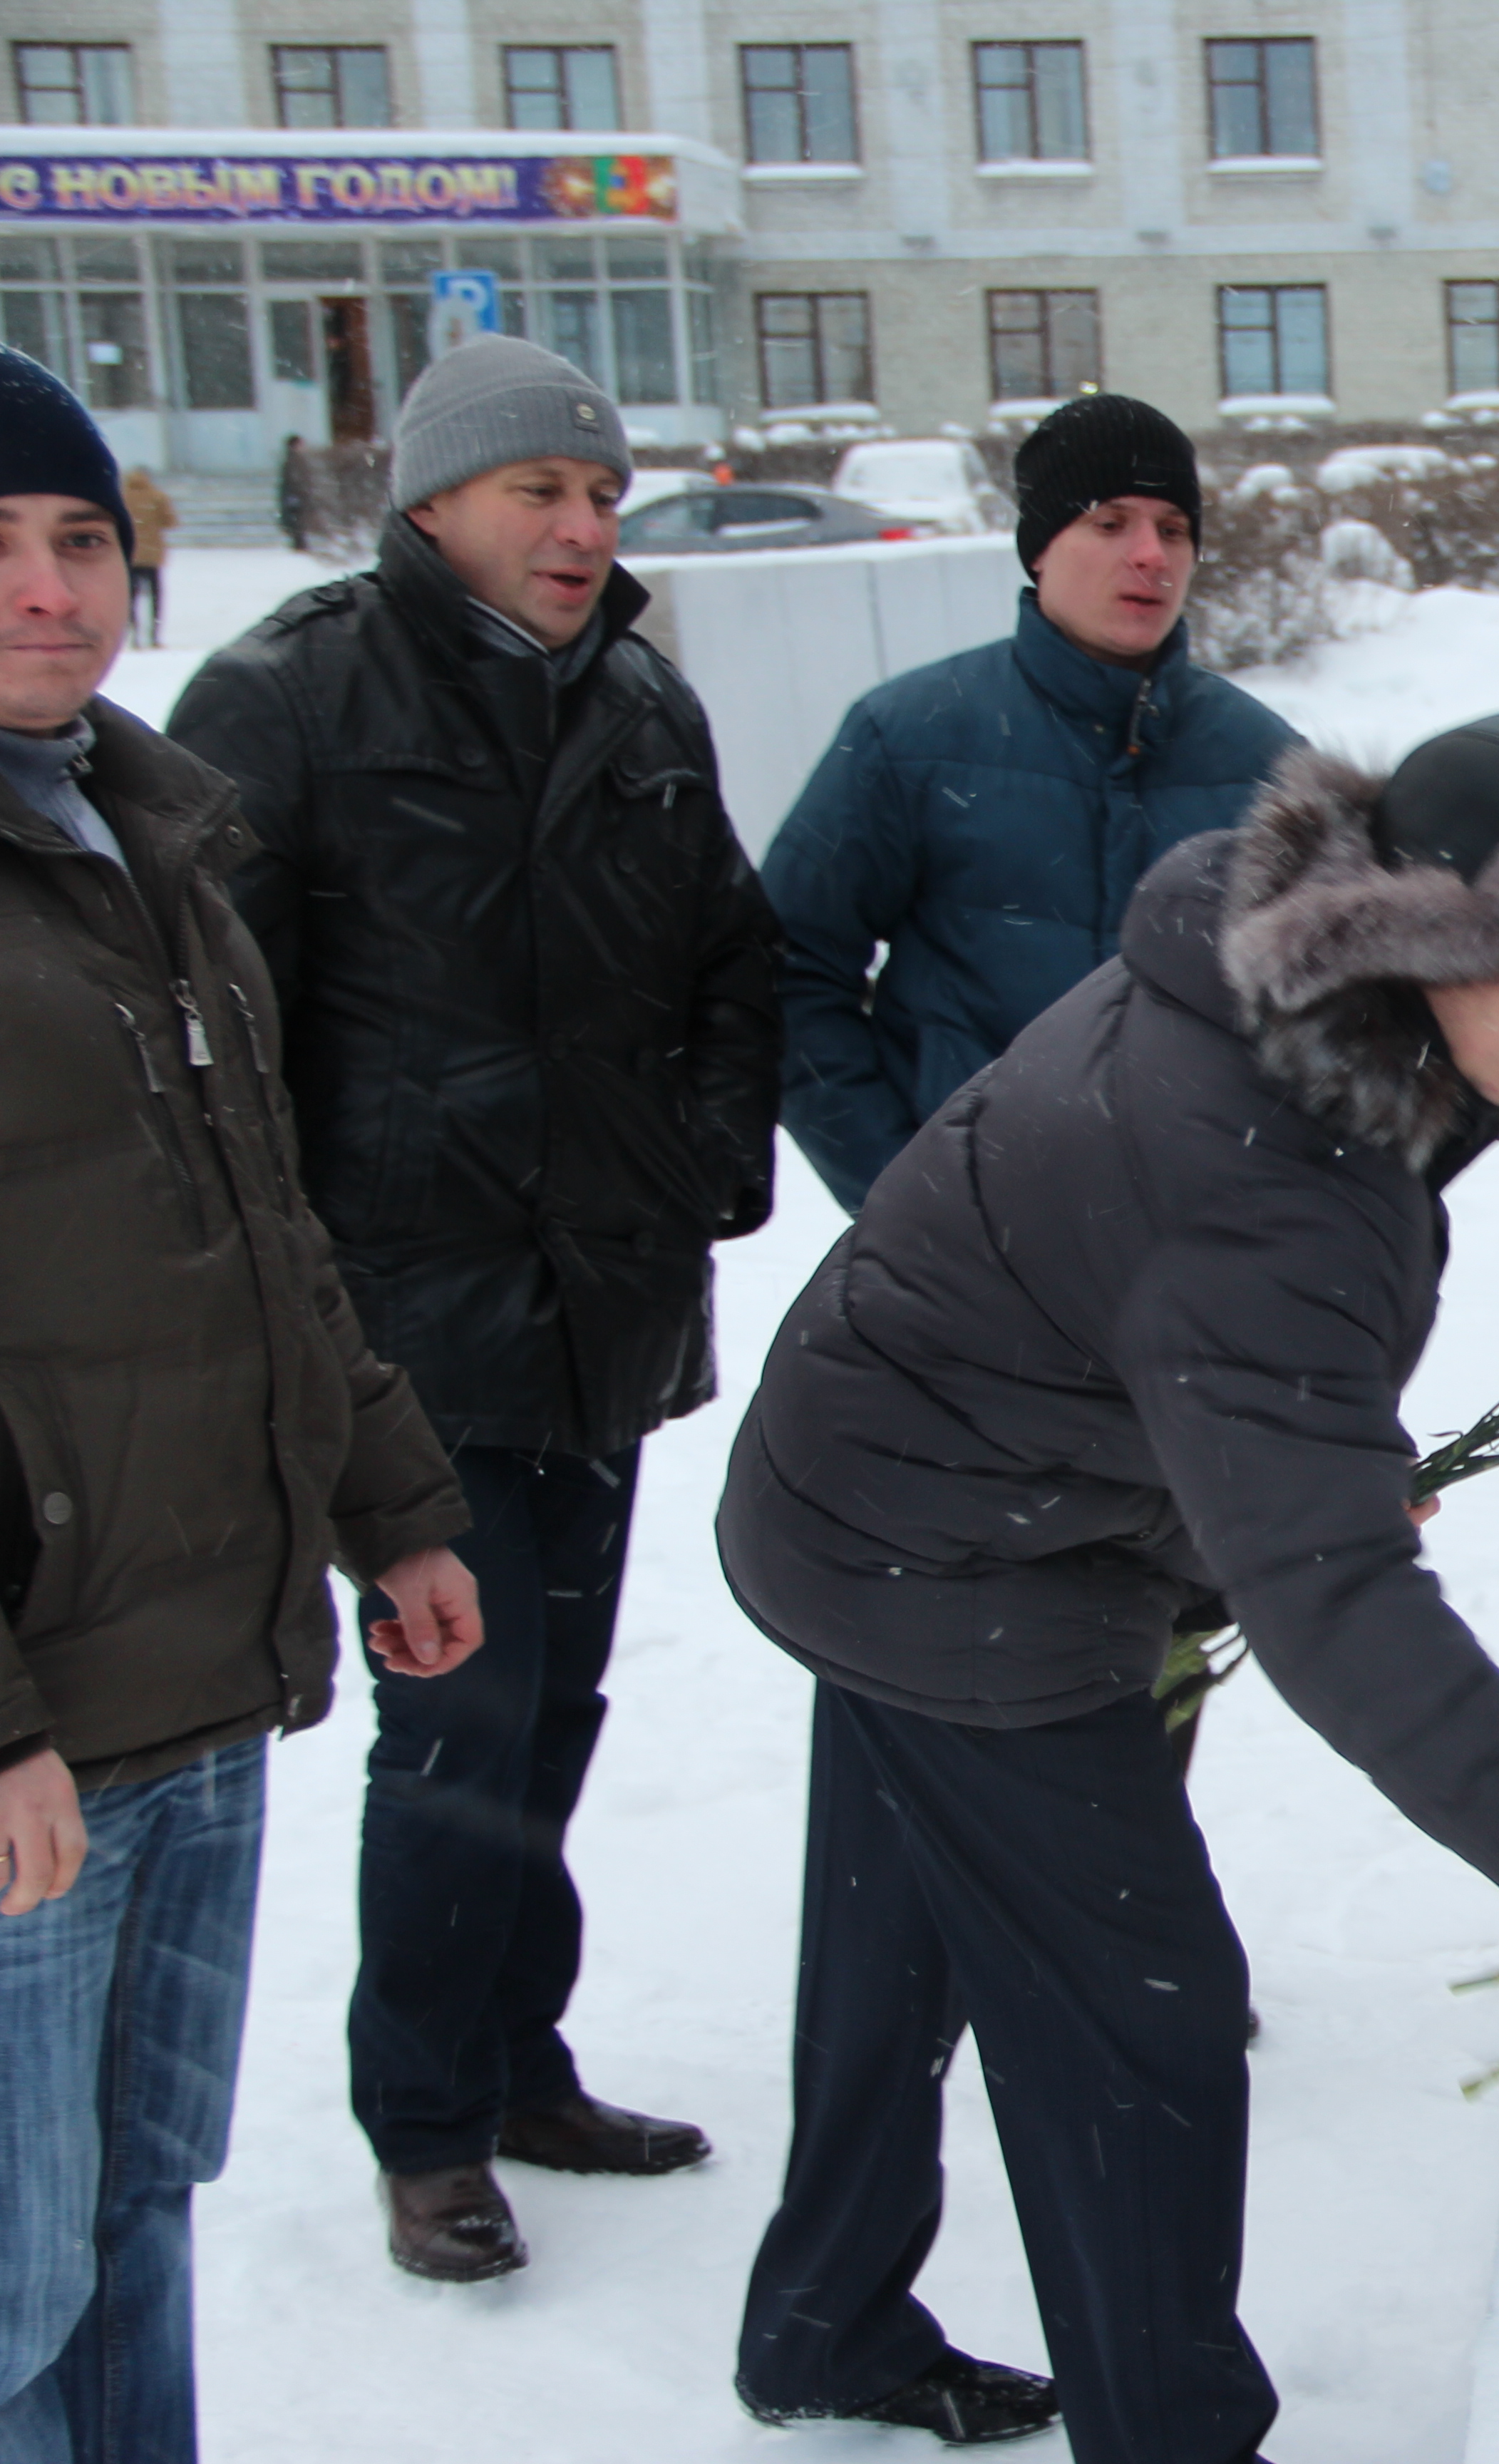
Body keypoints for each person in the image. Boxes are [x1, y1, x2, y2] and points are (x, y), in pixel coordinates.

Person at [716, 712, 1499, 2457]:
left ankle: (822, 2317)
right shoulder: (1259, 1164)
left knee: (902, 1924)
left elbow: (1178, 1340)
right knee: (1139, 2013)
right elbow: (1335, 1607)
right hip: (945, 1549)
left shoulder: (1285, 1005)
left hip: (895, 1476)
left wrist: (1295, 1462)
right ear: (1433, 931)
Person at [165, 334, 785, 2284]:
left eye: (601, 494)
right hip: (406, 1332)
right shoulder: (284, 702)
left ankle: (520, 2061)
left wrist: (705, 1161)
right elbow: (213, 1041)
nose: (586, 527)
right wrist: (296, 1298)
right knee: (461, 1720)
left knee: (556, 1707)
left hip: (600, 1304)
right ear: (432, 502)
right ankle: (427, 2120)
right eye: (543, 491)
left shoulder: (640, 703)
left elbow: (733, 965)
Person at [0, 344, 483, 2463]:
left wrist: (393, 1498)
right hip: (35, 1734)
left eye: (79, 538)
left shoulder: (153, 853)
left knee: (132, 2214)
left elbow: (264, 1229)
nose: (46, 589)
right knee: (10, 2272)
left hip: (197, 1690)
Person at [763, 391, 1299, 1213]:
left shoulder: (1264, 762)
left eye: (1175, 528)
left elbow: (1329, 1017)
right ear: (1041, 547)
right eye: (1111, 522)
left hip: (1193, 1256)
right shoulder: (909, 737)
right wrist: (901, 1191)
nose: (1151, 555)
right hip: (971, 1253)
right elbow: (789, 967)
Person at [115, 464, 168, 647]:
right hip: (152, 555)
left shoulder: (121, 497)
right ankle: (154, 635)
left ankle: (134, 635)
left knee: (131, 597)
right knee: (155, 597)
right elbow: (171, 521)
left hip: (130, 555)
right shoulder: (156, 496)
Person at [274, 435, 308, 555]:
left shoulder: (293, 459)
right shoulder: (293, 460)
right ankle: (299, 544)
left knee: (297, 521)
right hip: (294, 496)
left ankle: (300, 543)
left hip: (294, 495)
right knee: (296, 521)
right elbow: (292, 480)